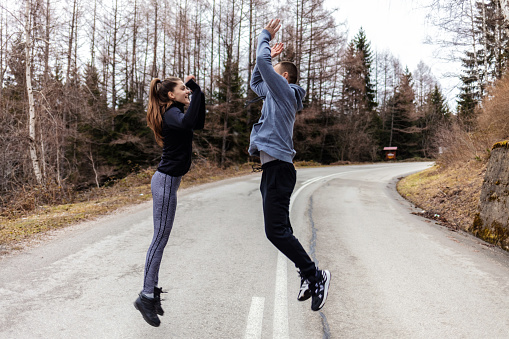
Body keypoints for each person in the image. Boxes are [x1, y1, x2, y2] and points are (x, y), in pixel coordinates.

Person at [248, 19, 331, 311]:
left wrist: (266, 39)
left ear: (283, 77)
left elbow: (261, 61)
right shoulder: (275, 93)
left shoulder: (284, 93)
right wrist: (266, 62)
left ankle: (314, 274)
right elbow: (255, 82)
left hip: (279, 170)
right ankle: (308, 274)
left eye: (274, 72)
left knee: (275, 231)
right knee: (280, 227)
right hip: (273, 170)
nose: (270, 75)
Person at [134, 75, 205, 327]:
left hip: (169, 184)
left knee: (161, 238)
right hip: (164, 183)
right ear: (171, 96)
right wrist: (195, 92)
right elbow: (187, 122)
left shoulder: (177, 113)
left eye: (187, 89)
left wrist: (198, 93)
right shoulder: (172, 114)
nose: (186, 92)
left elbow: (198, 122)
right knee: (159, 239)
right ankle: (146, 295)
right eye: (183, 89)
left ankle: (149, 292)